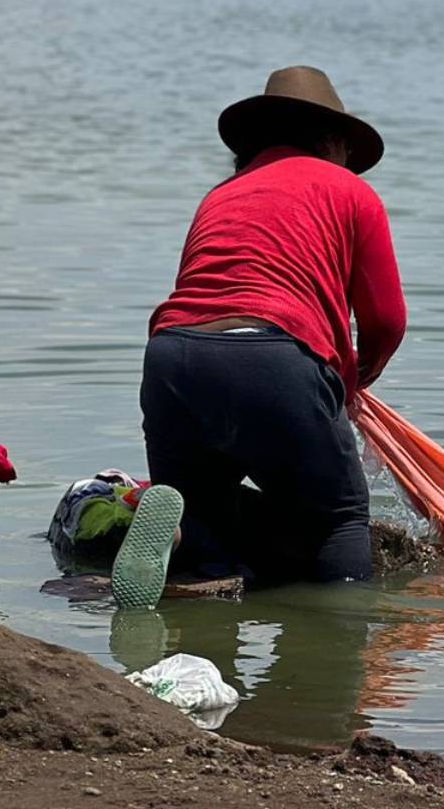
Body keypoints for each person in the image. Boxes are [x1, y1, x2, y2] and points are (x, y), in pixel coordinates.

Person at [112, 66, 407, 609]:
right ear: (334, 141)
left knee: (207, 512)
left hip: (173, 356)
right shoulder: (351, 191)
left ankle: (197, 630)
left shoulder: (221, 195)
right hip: (273, 357)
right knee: (339, 519)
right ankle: (332, 651)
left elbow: (207, 291)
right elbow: (386, 320)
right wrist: (354, 380)